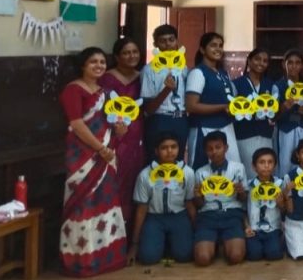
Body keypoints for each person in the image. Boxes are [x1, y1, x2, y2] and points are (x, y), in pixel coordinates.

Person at [59, 47, 128, 277]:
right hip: (83, 157)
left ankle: (107, 257)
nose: (99, 66)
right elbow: (77, 124)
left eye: (102, 62)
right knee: (83, 205)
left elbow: (111, 125)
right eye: (93, 62)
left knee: (104, 201)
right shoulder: (73, 90)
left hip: (106, 156)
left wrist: (120, 130)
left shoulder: (106, 93)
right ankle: (82, 261)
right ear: (83, 65)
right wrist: (100, 149)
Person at [128, 132, 196, 265]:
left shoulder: (187, 172)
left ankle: (171, 243)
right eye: (164, 148)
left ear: (179, 148)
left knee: (185, 255)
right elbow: (141, 209)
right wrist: (134, 244)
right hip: (155, 218)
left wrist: (196, 230)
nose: (169, 151)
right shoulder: (145, 174)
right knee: (148, 258)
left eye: (173, 147)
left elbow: (189, 203)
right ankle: (159, 243)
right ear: (156, 151)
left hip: (178, 216)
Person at [99, 37, 145, 233]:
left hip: (138, 135)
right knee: (116, 179)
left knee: (135, 179)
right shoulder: (107, 78)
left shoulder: (142, 76)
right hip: (115, 136)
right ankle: (111, 231)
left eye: (134, 51)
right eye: (126, 52)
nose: (131, 56)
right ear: (117, 57)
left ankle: (130, 231)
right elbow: (100, 108)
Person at [192, 131, 247, 266]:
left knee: (236, 257)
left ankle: (222, 243)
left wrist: (241, 192)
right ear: (205, 151)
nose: (214, 152)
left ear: (226, 148)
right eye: (210, 149)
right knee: (202, 259)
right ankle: (213, 245)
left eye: (218, 147)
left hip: (232, 215)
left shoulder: (238, 168)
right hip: (208, 216)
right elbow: (199, 205)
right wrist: (198, 196)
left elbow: (244, 199)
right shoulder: (200, 172)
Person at [186, 32, 239, 169]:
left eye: (220, 45)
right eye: (213, 45)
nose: (218, 49)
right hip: (204, 128)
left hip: (226, 127)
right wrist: (223, 107)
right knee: (203, 171)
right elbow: (191, 106)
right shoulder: (198, 73)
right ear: (202, 49)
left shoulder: (222, 73)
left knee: (231, 170)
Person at [141, 24, 188, 162]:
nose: (168, 44)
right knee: (157, 162)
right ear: (155, 44)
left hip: (181, 119)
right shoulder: (149, 70)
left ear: (177, 41)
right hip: (160, 120)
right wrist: (166, 90)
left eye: (171, 40)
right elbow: (148, 109)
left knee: (178, 161)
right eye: (163, 41)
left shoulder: (183, 67)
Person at [232, 48, 276, 178]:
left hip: (265, 135)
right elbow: (231, 110)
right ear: (249, 61)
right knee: (248, 172)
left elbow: (275, 111)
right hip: (244, 135)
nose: (261, 63)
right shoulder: (236, 84)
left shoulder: (271, 85)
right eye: (257, 59)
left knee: (265, 172)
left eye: (265, 61)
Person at [275, 50, 303, 175]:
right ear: (283, 64)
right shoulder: (278, 86)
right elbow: (273, 115)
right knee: (285, 164)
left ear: (302, 65)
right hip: (285, 130)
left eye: (297, 63)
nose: (294, 66)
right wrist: (284, 106)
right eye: (290, 63)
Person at [245, 148, 284, 262]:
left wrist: (280, 203)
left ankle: (279, 241)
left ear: (275, 165)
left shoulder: (279, 184)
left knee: (274, 254)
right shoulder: (249, 185)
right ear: (254, 166)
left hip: (273, 228)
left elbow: (285, 210)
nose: (266, 166)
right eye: (262, 162)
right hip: (254, 229)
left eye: (270, 162)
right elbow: (243, 209)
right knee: (254, 255)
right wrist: (246, 227)